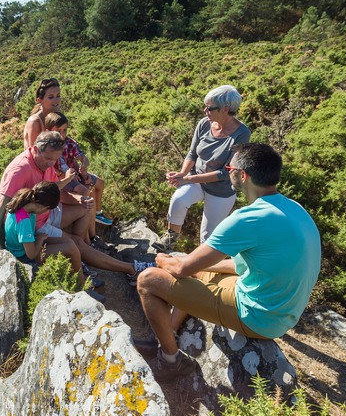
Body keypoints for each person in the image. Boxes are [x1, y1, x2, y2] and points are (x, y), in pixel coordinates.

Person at [136, 143, 321, 381]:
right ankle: (170, 331)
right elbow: (239, 266)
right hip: (282, 310)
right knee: (192, 266)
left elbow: (181, 269)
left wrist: (163, 259)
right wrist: (190, 264)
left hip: (258, 317)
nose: (227, 170)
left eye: (229, 167)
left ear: (242, 176)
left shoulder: (247, 218)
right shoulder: (293, 208)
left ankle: (170, 360)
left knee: (148, 280)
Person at [3, 181, 154, 292]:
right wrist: (41, 239)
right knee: (71, 248)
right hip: (24, 255)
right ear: (43, 207)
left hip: (25, 246)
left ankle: (83, 275)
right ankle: (82, 287)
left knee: (73, 244)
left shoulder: (25, 202)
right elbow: (31, 253)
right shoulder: (24, 221)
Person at [155, 85, 250, 251]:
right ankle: (170, 238)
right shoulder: (205, 124)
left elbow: (224, 173)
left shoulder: (241, 133)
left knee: (207, 237)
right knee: (179, 199)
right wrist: (182, 174)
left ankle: (203, 267)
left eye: (209, 108)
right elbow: (192, 154)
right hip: (197, 178)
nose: (205, 111)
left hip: (221, 190)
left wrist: (187, 179)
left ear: (226, 109)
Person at [0, 130, 87, 260]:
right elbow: (1, 202)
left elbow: (52, 188)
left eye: (55, 159)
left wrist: (77, 195)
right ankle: (85, 266)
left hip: (45, 212)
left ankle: (84, 255)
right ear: (35, 149)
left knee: (86, 209)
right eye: (47, 158)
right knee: (75, 243)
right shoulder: (19, 170)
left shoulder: (46, 163)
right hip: (34, 223)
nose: (51, 163)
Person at [44, 111, 112, 239]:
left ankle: (96, 215)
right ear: (48, 131)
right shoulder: (47, 148)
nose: (62, 134)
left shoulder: (68, 143)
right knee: (86, 193)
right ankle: (91, 235)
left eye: (65, 130)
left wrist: (84, 165)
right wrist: (65, 175)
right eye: (58, 131)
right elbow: (52, 171)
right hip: (63, 180)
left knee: (96, 184)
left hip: (73, 175)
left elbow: (82, 157)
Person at [23, 78, 61, 148]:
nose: (56, 100)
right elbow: (34, 153)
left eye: (58, 96)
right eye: (51, 97)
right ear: (39, 100)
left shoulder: (57, 118)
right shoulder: (35, 122)